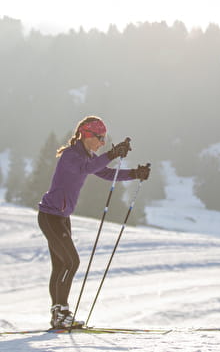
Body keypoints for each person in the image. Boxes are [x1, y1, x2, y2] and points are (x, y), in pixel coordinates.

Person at [38, 116, 150, 329]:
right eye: (100, 138)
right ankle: (61, 313)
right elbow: (87, 169)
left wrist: (136, 173)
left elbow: (106, 173)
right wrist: (111, 154)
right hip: (50, 216)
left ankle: (59, 314)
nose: (102, 142)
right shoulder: (71, 156)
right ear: (86, 134)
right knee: (71, 262)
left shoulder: (87, 155)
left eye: (104, 140)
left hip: (61, 217)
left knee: (61, 265)